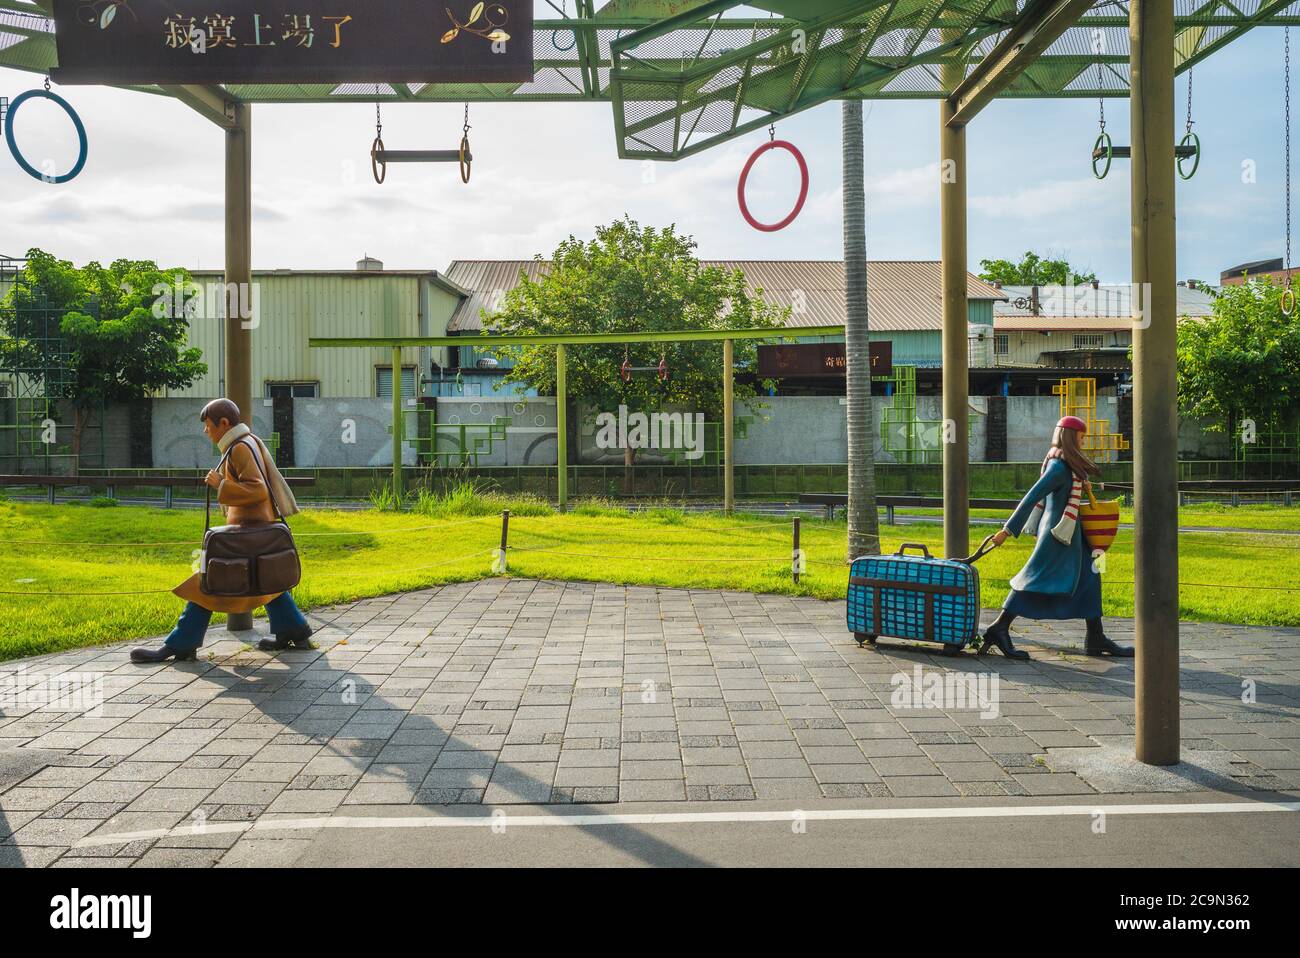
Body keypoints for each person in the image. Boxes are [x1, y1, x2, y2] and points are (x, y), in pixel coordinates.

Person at [131, 398, 314, 663]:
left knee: (208, 582)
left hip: (246, 532)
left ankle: (182, 643)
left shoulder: (239, 448)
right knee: (262, 576)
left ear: (224, 423)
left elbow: (257, 489)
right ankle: (294, 629)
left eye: (208, 425)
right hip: (256, 530)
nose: (206, 431)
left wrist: (221, 485)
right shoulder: (247, 441)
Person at [981, 415, 1134, 660]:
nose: (1083, 443)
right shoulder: (1058, 467)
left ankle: (1095, 635)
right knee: (1035, 578)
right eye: (1081, 438)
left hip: (1073, 533)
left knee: (1091, 576)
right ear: (1071, 438)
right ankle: (998, 628)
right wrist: (1007, 531)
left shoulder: (1070, 467)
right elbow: (1032, 496)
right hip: (1057, 535)